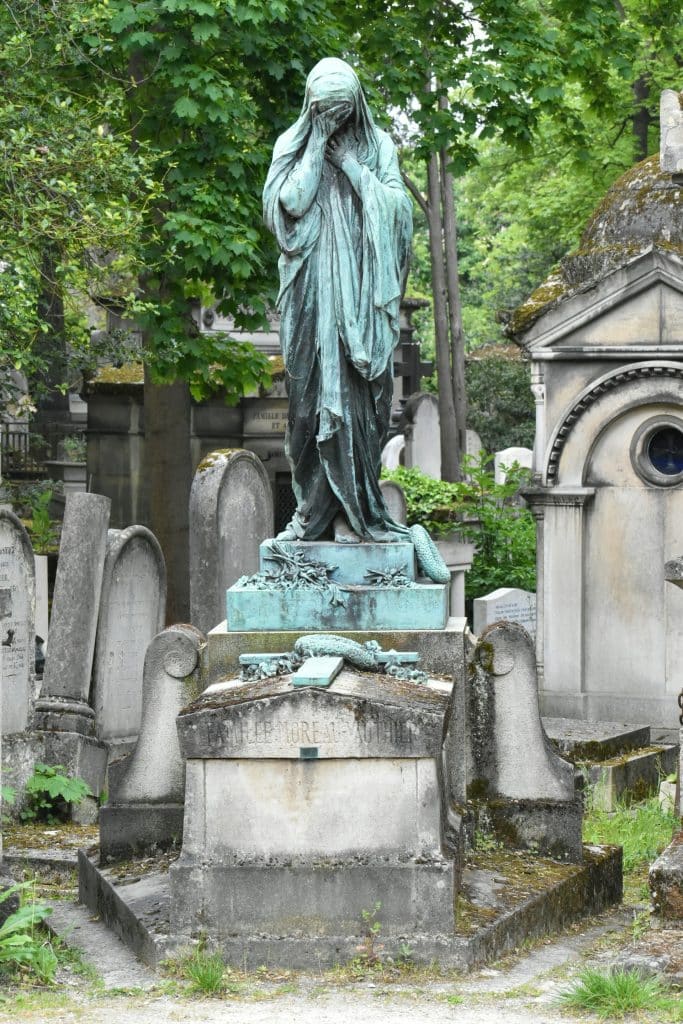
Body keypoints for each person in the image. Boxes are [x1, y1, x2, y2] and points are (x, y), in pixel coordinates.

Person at [263, 57, 412, 544]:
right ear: (311, 105)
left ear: (356, 106)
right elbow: (291, 204)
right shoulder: (292, 143)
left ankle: (359, 514)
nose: (335, 121)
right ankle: (311, 515)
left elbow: (398, 211)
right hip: (309, 298)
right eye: (325, 111)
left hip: (362, 308)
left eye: (342, 111)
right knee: (306, 408)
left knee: (360, 408)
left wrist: (351, 166)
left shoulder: (378, 147)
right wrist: (316, 145)